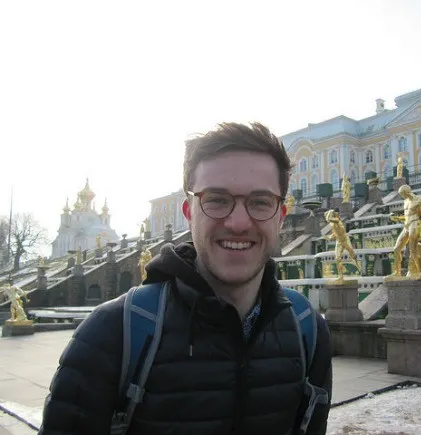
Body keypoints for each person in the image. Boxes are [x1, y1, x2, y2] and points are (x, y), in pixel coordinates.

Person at [39, 122, 333, 435]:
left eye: (260, 202)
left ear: (281, 216)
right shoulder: (110, 335)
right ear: (189, 212)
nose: (237, 222)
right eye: (217, 199)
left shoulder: (309, 331)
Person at [387, 184, 421, 280]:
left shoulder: (419, 200)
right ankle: (397, 272)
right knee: (396, 249)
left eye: (402, 194)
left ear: (407, 192)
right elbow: (407, 216)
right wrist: (397, 218)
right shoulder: (405, 201)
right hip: (406, 226)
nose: (402, 196)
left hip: (415, 224)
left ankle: (419, 273)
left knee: (412, 250)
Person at [324, 209, 360, 283]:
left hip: (345, 239)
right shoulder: (331, 224)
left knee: (351, 253)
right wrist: (329, 237)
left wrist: (330, 211)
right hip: (339, 241)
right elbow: (335, 233)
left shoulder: (337, 220)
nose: (326, 217)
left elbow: (328, 219)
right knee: (337, 258)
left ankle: (358, 266)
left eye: (326, 215)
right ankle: (341, 276)